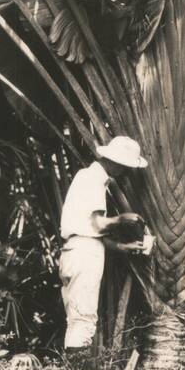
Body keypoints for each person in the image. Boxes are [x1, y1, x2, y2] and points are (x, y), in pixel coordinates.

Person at [59, 135, 153, 353]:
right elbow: (96, 224)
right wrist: (121, 219)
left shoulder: (90, 178)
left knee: (78, 317)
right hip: (83, 253)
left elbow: (89, 231)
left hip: (78, 249)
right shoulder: (92, 179)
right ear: (115, 163)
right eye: (124, 166)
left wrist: (123, 248)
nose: (125, 172)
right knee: (83, 318)